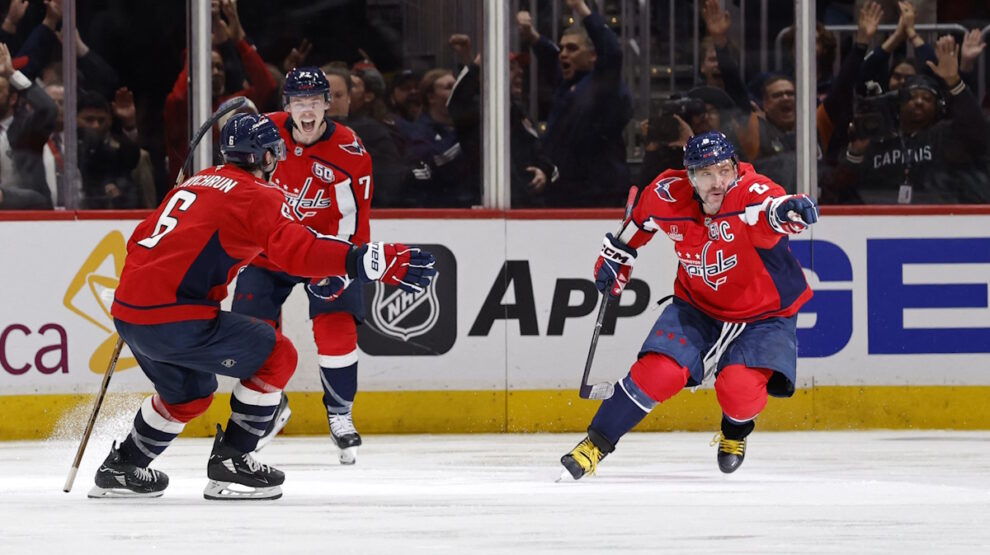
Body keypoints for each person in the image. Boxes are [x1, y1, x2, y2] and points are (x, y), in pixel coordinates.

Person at [91, 113, 435, 500]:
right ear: (268, 157)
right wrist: (365, 260)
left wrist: (140, 298)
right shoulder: (257, 194)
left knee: (189, 394)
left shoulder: (196, 182)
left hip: (129, 312)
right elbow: (298, 250)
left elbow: (139, 240)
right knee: (278, 355)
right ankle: (233, 461)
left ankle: (122, 467)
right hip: (176, 317)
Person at [559, 131, 818, 480]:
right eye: (706, 173)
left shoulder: (750, 193)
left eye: (724, 170)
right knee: (659, 373)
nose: (718, 182)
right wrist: (617, 255)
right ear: (690, 176)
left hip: (766, 314)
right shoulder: (667, 193)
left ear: (735, 168)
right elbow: (638, 223)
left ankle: (735, 431)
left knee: (739, 390)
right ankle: (595, 444)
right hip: (697, 306)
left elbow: (772, 209)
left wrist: (789, 211)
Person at [230, 67, 375, 465]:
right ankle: (270, 407)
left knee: (336, 328)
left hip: (323, 253)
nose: (306, 110)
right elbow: (236, 183)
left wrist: (340, 267)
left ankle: (340, 413)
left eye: (314, 102)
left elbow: (355, 221)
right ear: (287, 105)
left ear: (327, 104)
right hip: (269, 251)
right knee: (249, 333)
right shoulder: (264, 132)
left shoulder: (350, 151)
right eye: (298, 102)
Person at [521, 0, 631, 207]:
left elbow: (612, 52)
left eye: (572, 48)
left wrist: (581, 9)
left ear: (593, 56)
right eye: (562, 48)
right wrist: (532, 36)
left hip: (598, 195)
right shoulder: (568, 83)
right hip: (566, 191)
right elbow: (550, 58)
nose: (563, 53)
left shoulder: (603, 85)